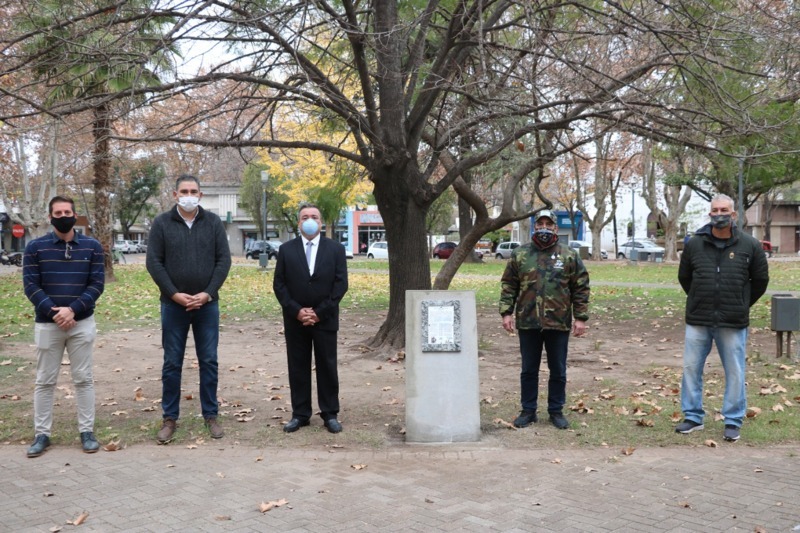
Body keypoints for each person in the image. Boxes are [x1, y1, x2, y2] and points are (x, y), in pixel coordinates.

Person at [675, 194, 769, 442]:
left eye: (724, 210)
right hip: (699, 318)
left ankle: (733, 419)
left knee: (735, 371)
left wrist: (740, 302)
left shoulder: (750, 245)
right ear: (710, 214)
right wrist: (699, 298)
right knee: (691, 369)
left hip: (732, 320)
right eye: (715, 210)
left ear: (734, 214)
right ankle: (693, 417)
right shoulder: (694, 244)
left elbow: (760, 281)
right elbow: (685, 278)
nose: (719, 214)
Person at [146, 174, 232, 443]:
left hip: (207, 306)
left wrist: (207, 294)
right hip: (173, 307)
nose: (188, 195)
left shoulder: (213, 222)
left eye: (193, 191)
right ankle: (170, 417)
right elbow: (154, 263)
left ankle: (211, 415)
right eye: (184, 190)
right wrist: (174, 295)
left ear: (200, 195)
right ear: (175, 195)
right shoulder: (161, 223)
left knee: (209, 361)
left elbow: (223, 261)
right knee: (172, 362)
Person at [22, 196, 105, 457]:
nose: (63, 215)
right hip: (48, 324)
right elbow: (31, 286)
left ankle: (87, 432)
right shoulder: (35, 248)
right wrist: (54, 312)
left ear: (75, 214)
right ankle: (42, 434)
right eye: (58, 212)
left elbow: (97, 284)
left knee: (84, 379)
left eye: (67, 211)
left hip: (82, 322)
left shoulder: (92, 247)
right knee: (45, 381)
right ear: (50, 217)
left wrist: (73, 310)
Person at [499, 210, 590, 430]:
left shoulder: (568, 255)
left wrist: (580, 317)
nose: (544, 228)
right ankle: (528, 411)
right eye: (540, 224)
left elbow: (580, 286)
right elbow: (509, 285)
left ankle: (556, 411)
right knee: (528, 369)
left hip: (558, 322)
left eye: (548, 224)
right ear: (534, 227)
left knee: (558, 369)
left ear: (555, 228)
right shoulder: (520, 254)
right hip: (528, 321)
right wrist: (506, 312)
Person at [273, 204, 349, 433]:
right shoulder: (286, 250)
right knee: (298, 367)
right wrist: (297, 311)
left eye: (314, 216)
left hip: (325, 319)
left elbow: (340, 284)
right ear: (298, 223)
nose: (309, 220)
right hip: (295, 320)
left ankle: (330, 413)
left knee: (327, 366)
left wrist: (319, 312)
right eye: (305, 217)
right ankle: (300, 414)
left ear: (321, 221)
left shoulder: (335, 249)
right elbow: (279, 285)